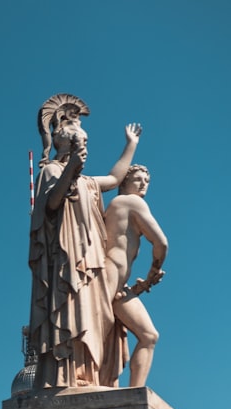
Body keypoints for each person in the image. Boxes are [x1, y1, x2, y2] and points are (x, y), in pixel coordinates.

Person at [29, 93, 141, 388]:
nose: (85, 150)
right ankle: (67, 376)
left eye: (87, 145)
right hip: (65, 263)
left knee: (95, 317)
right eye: (81, 144)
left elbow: (115, 179)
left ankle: (89, 374)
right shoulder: (51, 171)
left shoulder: (89, 182)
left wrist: (131, 145)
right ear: (66, 144)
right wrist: (70, 169)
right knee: (69, 314)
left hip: (91, 261)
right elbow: (51, 204)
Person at [103, 165, 167, 387]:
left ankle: (135, 396)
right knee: (145, 336)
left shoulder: (111, 207)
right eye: (138, 179)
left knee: (149, 336)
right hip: (110, 279)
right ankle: (134, 394)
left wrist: (141, 286)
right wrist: (153, 272)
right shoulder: (131, 202)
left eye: (147, 181)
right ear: (123, 182)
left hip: (116, 282)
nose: (143, 184)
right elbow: (161, 243)